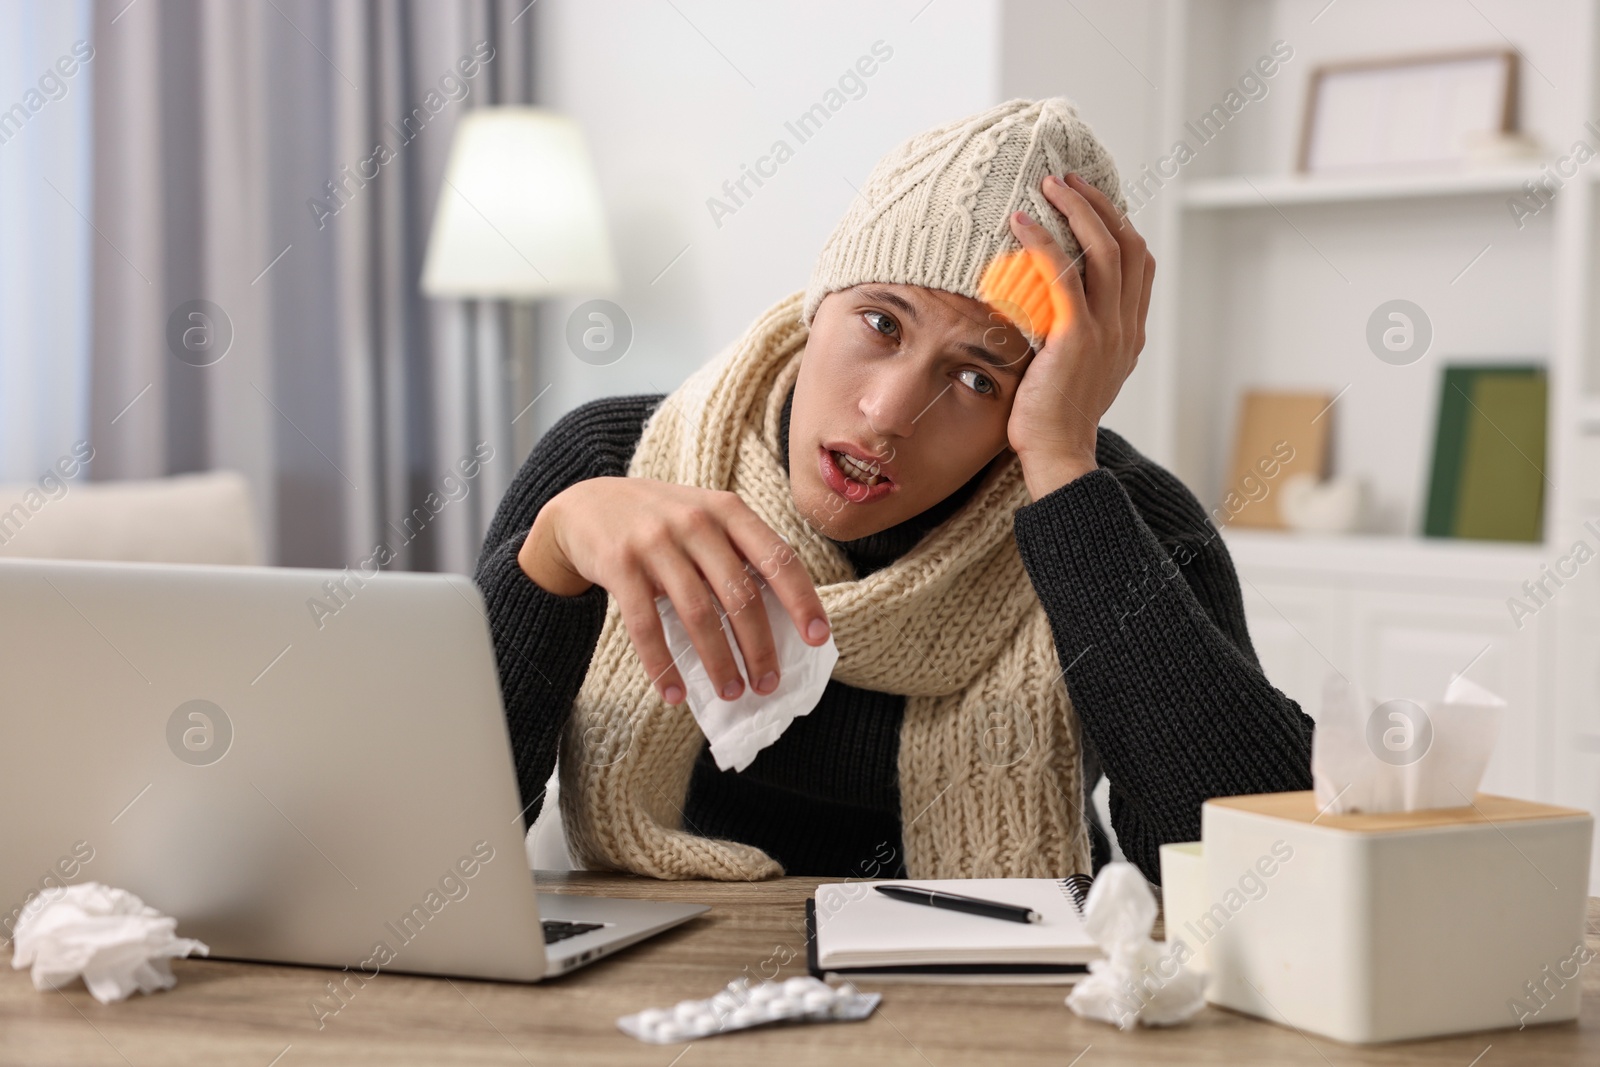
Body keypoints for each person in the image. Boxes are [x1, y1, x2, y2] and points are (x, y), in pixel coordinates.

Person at [473, 97, 1314, 884]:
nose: (889, 414)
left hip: (994, 1008)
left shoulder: (1120, 518)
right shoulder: (612, 463)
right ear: (820, 304)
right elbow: (446, 853)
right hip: (667, 997)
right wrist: (547, 558)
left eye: (979, 378)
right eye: (882, 323)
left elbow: (1259, 873)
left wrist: (1061, 465)